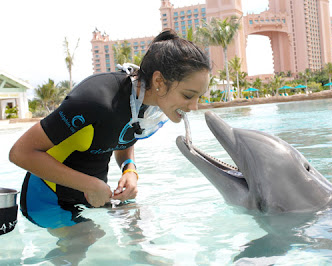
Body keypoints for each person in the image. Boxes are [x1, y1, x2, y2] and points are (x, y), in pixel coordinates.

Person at [9, 29, 211, 229]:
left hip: (95, 195)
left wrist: (129, 170)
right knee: (91, 239)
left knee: (140, 232)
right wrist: (90, 185)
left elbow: (122, 139)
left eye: (198, 97)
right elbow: (20, 153)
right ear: (159, 81)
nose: (194, 107)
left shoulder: (146, 101)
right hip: (48, 198)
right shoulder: (96, 100)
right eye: (188, 95)